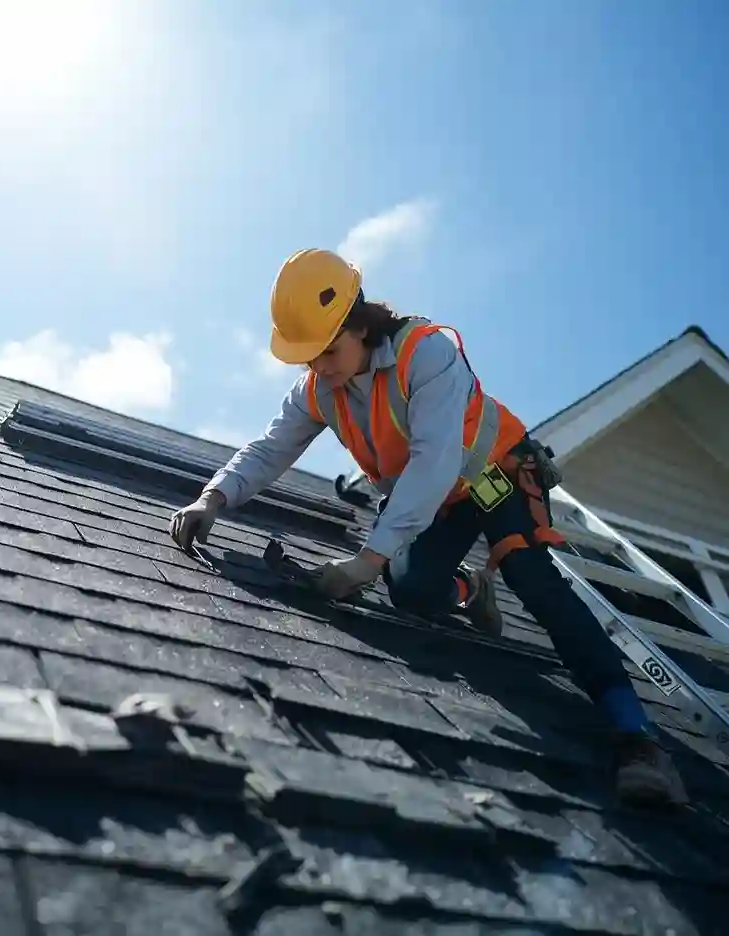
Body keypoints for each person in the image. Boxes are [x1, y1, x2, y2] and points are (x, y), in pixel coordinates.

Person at [169, 247, 687, 807]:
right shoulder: (319, 389)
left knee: (532, 578)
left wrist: (365, 561)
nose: (320, 366)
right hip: (441, 498)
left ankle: (637, 738)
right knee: (411, 589)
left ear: (360, 323)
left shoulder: (427, 352)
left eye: (329, 350)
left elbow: (436, 459)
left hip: (494, 475)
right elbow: (271, 448)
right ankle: (470, 589)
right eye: (309, 358)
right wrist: (212, 498)